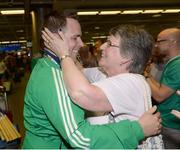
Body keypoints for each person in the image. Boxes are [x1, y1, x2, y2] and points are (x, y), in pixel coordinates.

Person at [23, 11, 161, 149]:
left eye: (109, 44)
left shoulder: (50, 68)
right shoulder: (54, 75)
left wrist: (65, 55)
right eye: (75, 37)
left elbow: (82, 91)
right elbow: (80, 137)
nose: (82, 43)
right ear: (56, 39)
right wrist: (137, 129)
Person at [145, 28, 180, 148]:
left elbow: (160, 96)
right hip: (170, 122)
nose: (156, 44)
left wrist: (144, 75)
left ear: (172, 42)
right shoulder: (173, 63)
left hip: (172, 124)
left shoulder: (177, 65)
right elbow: (161, 87)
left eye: (160, 41)